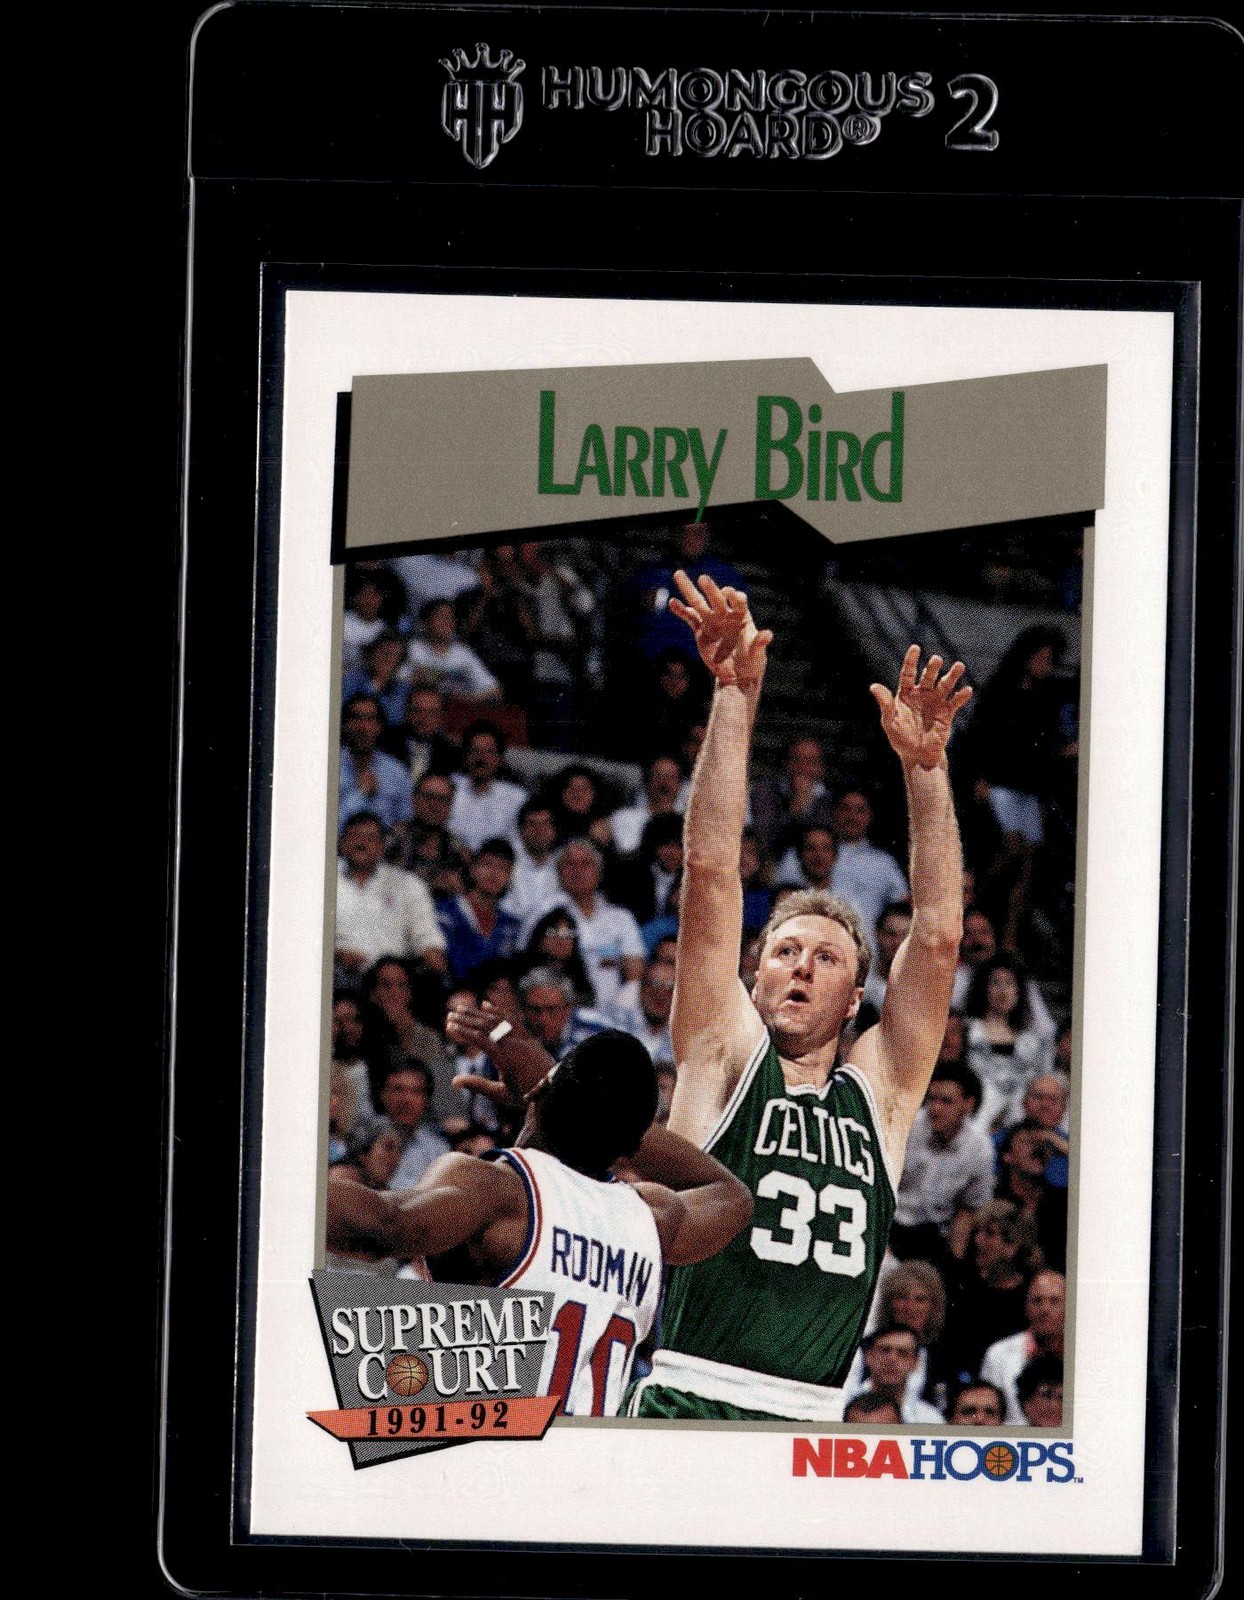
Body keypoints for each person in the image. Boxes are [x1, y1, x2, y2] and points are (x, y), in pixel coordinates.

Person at [627, 573, 973, 1422]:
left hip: (815, 1417)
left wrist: (926, 771)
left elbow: (937, 936)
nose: (800, 968)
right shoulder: (722, 1053)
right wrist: (734, 695)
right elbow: (712, 870)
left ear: (855, 999)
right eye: (783, 952)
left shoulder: (881, 1094)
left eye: (825, 958)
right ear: (755, 977)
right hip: (693, 1391)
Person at [326, 1029, 753, 1416]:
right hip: (584, 1467)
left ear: (544, 1091)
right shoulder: (651, 1217)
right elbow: (731, 1193)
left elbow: (381, 1226)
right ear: (633, 1141)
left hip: (487, 1458)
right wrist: (597, 1110)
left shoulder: (498, 1192)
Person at [889, 1062, 995, 1267]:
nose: (935, 1108)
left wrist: (953, 1264)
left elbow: (968, 1209)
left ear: (968, 1104)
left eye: (946, 1101)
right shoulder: (908, 1126)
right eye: (932, 1099)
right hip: (892, 1224)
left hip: (935, 1235)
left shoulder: (979, 1148)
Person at [333, 812, 448, 981]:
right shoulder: (323, 879)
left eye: (370, 838)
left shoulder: (407, 883)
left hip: (392, 980)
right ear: (342, 843)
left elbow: (426, 934)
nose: (362, 843)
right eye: (355, 836)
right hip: (335, 977)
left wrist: (432, 953)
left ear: (382, 846)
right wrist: (334, 954)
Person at [979, 1269, 1066, 1424]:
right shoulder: (998, 1355)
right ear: (1026, 1307)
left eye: (1054, 1301)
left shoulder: (1086, 1354)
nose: (1045, 1309)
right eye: (1037, 1301)